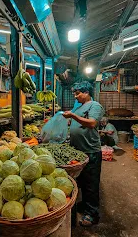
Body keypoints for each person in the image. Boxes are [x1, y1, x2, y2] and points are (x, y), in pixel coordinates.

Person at [63, 81, 104, 227]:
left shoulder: (95, 106)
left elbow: (92, 123)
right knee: (80, 182)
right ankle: (85, 205)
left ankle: (92, 214)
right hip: (78, 152)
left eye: (78, 93)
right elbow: (77, 123)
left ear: (86, 92)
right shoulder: (79, 106)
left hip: (91, 151)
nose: (75, 96)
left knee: (91, 184)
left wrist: (72, 116)